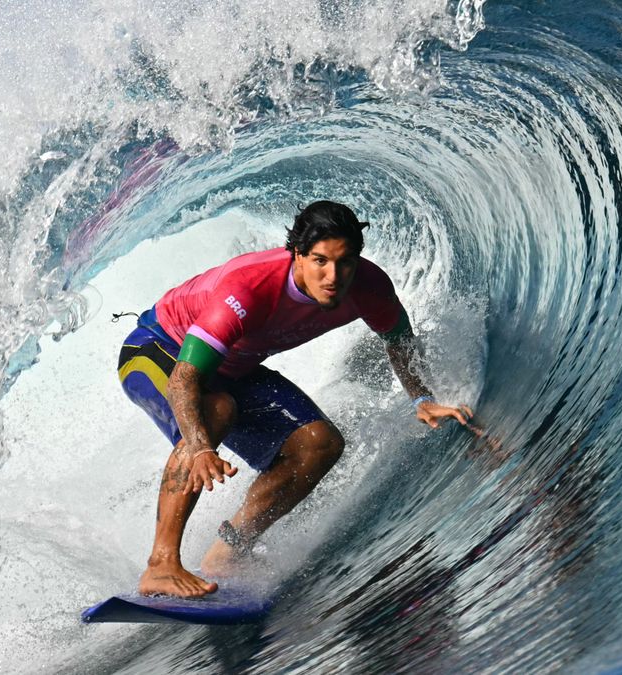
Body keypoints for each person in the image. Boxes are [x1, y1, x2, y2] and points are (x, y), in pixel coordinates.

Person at [117, 200, 475, 598]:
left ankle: (229, 551)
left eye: (345, 262)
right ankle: (161, 564)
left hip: (235, 368)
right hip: (158, 350)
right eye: (320, 261)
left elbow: (399, 338)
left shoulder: (368, 286)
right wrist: (200, 448)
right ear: (297, 255)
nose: (333, 276)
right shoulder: (249, 289)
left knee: (319, 444)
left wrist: (421, 398)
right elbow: (184, 381)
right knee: (215, 409)